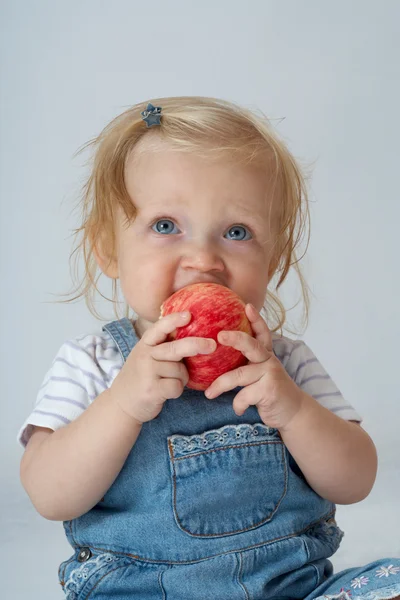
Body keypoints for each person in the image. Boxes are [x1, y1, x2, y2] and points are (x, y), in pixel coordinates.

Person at [18, 97, 400, 600]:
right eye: (164, 226)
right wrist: (123, 404)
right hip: (141, 591)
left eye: (237, 232)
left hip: (291, 587)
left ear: (274, 259)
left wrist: (293, 410)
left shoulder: (285, 364)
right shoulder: (96, 362)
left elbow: (354, 481)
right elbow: (49, 494)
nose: (203, 259)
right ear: (108, 248)